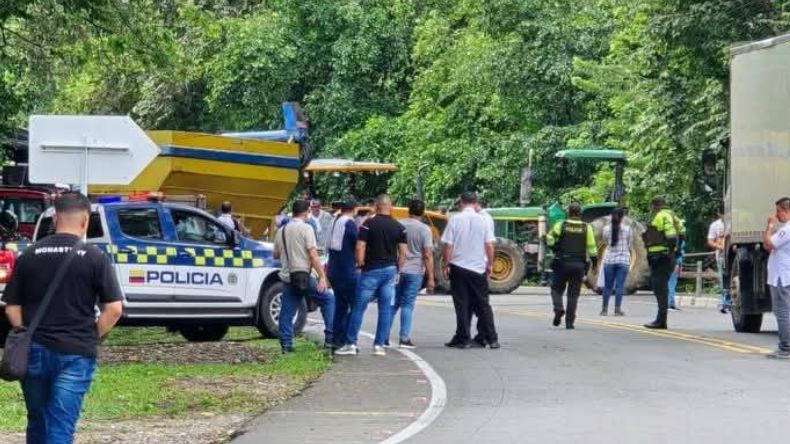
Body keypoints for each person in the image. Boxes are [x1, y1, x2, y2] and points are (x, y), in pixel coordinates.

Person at [2, 192, 124, 443]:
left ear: (55, 218)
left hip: (33, 350)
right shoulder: (94, 258)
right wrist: (93, 334)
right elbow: (114, 308)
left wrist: (25, 331)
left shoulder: (29, 256)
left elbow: (11, 306)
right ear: (85, 221)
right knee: (60, 424)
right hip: (76, 353)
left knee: (37, 418)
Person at [336, 195, 407, 357]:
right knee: (385, 309)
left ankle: (351, 343)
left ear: (376, 206)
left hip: (370, 271)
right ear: (391, 207)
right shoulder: (399, 227)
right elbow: (403, 252)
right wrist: (398, 268)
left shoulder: (368, 225)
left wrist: (360, 263)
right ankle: (379, 345)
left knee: (359, 307)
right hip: (390, 271)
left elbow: (360, 246)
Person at [441, 192, 500, 349]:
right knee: (483, 304)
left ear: (461, 202)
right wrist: (490, 264)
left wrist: (446, 265)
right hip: (478, 267)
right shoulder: (484, 220)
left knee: (462, 304)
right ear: (476, 202)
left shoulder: (455, 219)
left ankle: (464, 338)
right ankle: (492, 338)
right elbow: (489, 245)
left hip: (459, 267)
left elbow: (448, 245)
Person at [273, 200, 331, 353]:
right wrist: (322, 277)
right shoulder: (307, 228)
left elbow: (275, 254)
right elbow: (313, 255)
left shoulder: (281, 231)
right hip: (305, 275)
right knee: (328, 299)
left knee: (287, 311)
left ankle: (286, 345)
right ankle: (331, 338)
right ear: (306, 212)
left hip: (287, 276)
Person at [388, 199, 435, 349]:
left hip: (397, 269)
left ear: (408, 210)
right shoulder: (424, 229)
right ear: (423, 212)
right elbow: (427, 254)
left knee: (393, 304)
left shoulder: (397, 224)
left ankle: (383, 337)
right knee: (408, 304)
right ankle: (404, 338)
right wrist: (431, 278)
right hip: (415, 271)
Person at [547, 202, 597, 329]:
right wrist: (594, 263)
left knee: (556, 289)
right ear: (580, 213)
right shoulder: (587, 227)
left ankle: (558, 308)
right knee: (573, 295)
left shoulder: (561, 225)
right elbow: (592, 248)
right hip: (579, 265)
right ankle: (569, 323)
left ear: (568, 212)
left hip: (562, 263)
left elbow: (550, 239)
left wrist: (554, 247)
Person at [326, 201, 359, 351]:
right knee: (356, 305)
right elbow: (359, 243)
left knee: (340, 306)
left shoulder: (335, 221)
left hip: (333, 269)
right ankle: (348, 339)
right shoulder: (350, 224)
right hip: (346, 270)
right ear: (354, 210)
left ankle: (335, 339)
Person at [642, 197, 678, 329]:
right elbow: (682, 232)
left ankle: (661, 320)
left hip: (660, 257)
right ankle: (660, 319)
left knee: (660, 289)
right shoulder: (673, 216)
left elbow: (671, 235)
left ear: (654, 206)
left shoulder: (661, 216)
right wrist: (674, 251)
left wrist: (670, 250)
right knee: (661, 288)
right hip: (665, 257)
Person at [764, 197, 790, 359]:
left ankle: (785, 347)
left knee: (782, 311)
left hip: (782, 275)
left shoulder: (787, 230)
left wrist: (770, 226)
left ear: (787, 211)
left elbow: (768, 244)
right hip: (785, 274)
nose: (776, 215)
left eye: (779, 211)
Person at [601, 207, 632, 316]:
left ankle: (604, 310)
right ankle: (617, 310)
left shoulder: (606, 229)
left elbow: (605, 242)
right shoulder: (627, 229)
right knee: (619, 286)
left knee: (607, 286)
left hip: (609, 260)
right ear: (622, 217)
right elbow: (629, 244)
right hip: (623, 260)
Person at [707, 208, 730, 314]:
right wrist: (719, 246)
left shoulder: (735, 223)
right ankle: (725, 302)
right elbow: (710, 241)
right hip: (721, 256)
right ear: (719, 213)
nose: (724, 215)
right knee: (723, 278)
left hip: (731, 254)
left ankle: (730, 301)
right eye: (722, 213)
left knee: (731, 277)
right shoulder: (715, 225)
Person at [667, 213, 686, 311]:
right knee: (671, 282)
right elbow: (677, 251)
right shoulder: (677, 237)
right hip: (674, 261)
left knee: (670, 281)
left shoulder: (669, 235)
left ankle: (670, 302)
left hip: (671, 260)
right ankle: (670, 302)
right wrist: (678, 264)